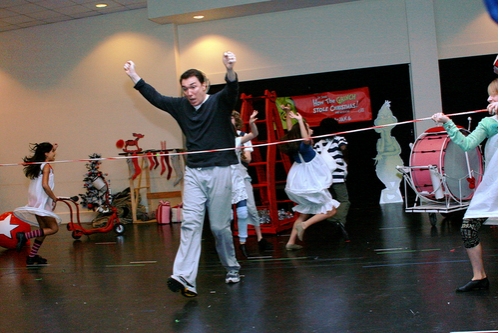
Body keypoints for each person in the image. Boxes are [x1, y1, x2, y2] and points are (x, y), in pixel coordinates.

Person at [123, 51, 241, 297]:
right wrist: (134, 75)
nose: (189, 92)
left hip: (220, 170)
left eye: (194, 87)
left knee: (219, 228)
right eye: (185, 88)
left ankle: (231, 267)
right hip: (194, 173)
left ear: (204, 85)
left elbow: (232, 92)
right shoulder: (180, 107)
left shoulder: (219, 102)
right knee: (189, 224)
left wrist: (229, 69)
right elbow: (155, 98)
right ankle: (184, 278)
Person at [431, 78, 498, 292]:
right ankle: (479, 277)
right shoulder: (489, 123)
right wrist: (447, 122)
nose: (489, 98)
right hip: (494, 186)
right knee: (468, 227)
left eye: (494, 94)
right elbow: (467, 144)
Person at [279, 109, 340, 250]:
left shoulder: (294, 145)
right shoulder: (305, 146)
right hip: (311, 180)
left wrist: (289, 115)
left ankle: (290, 243)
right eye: (308, 128)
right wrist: (300, 120)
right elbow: (306, 139)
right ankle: (304, 226)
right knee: (331, 210)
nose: (311, 130)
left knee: (304, 213)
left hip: (301, 180)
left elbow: (290, 133)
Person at [231, 110, 273, 258]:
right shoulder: (220, 137)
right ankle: (233, 242)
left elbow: (248, 159)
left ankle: (259, 237)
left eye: (231, 118)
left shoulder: (242, 137)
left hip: (240, 173)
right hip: (224, 176)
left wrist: (239, 150)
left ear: (236, 120)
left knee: (250, 209)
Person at [14, 142, 61, 266]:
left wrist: (53, 148)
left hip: (35, 203)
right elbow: (45, 185)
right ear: (46, 154)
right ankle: (25, 236)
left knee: (43, 230)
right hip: (43, 203)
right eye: (52, 152)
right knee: (53, 229)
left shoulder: (38, 165)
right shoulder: (46, 166)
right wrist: (54, 198)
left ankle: (31, 256)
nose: (54, 154)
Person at [313, 118, 350, 241]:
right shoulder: (339, 139)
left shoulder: (318, 144)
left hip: (324, 179)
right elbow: (344, 148)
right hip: (338, 177)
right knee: (344, 200)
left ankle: (332, 219)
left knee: (328, 201)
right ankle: (338, 220)